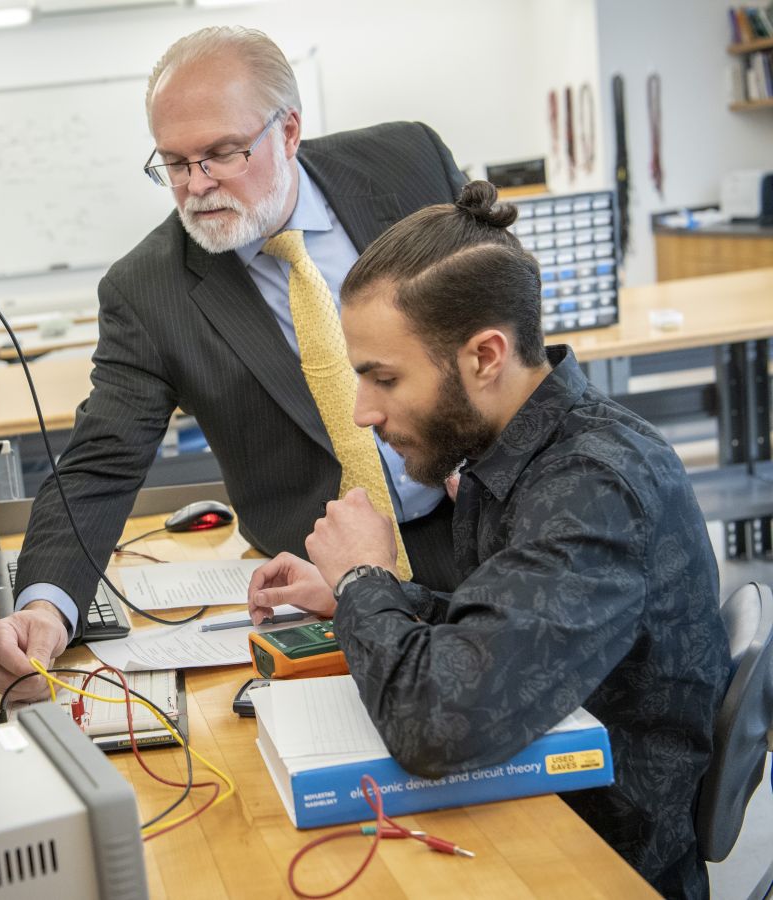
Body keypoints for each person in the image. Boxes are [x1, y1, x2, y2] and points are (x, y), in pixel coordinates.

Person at [246, 180, 730, 899]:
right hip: (539, 813)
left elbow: (437, 725)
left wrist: (363, 583)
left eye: (383, 378)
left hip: (594, 860)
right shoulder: (525, 453)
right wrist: (371, 600)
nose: (363, 411)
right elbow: (512, 634)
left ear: (484, 356)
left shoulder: (593, 486)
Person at [0, 26, 466, 698]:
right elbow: (101, 462)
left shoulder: (406, 163)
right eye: (174, 163)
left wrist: (507, 459)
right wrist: (44, 606)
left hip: (483, 523)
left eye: (221, 154)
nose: (197, 186)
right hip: (317, 586)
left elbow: (505, 322)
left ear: (288, 132)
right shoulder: (150, 289)